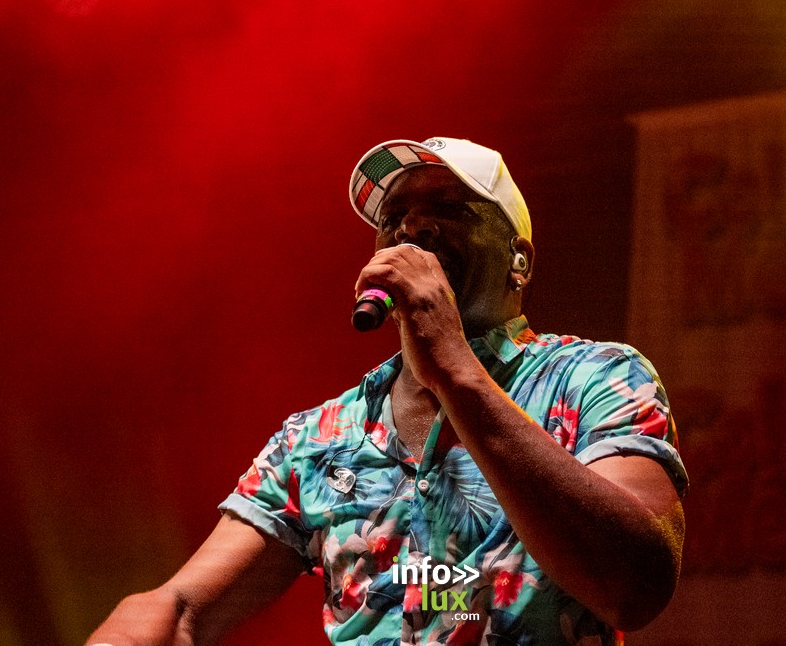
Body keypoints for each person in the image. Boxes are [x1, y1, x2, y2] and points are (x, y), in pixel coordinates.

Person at [86, 137, 688, 646]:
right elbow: (182, 608)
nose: (411, 227)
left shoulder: (595, 378)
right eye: (393, 216)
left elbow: (635, 588)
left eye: (449, 208)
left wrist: (454, 369)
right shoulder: (319, 437)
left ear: (520, 262)